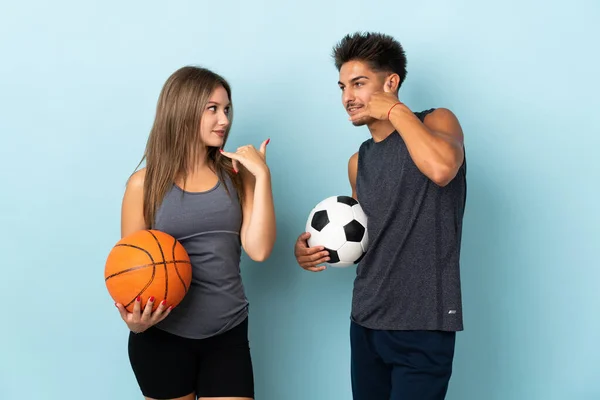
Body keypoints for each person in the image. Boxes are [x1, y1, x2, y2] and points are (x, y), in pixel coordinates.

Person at [294, 32, 467, 400]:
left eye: (359, 84)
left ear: (391, 83)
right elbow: (363, 240)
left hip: (422, 324)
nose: (347, 98)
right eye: (342, 86)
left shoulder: (438, 121)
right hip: (366, 321)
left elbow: (441, 169)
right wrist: (313, 249)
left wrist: (394, 109)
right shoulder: (359, 162)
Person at [115, 66, 276, 400]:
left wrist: (262, 176)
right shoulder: (143, 184)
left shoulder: (237, 175)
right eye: (212, 109)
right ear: (184, 111)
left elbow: (258, 250)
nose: (225, 120)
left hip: (227, 333)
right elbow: (129, 271)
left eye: (227, 109)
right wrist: (135, 322)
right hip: (162, 336)